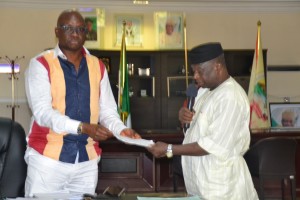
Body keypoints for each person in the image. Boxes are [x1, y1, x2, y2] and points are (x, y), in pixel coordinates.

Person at [24, 10, 140, 197]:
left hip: (86, 162)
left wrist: (121, 129)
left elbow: (108, 111)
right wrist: (83, 128)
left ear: (86, 33)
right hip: (48, 161)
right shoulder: (40, 64)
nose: (75, 33)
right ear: (56, 31)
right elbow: (43, 113)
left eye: (80, 29)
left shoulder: (98, 66)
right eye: (68, 28)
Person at [147, 42, 258, 199]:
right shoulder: (205, 92)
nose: (195, 76)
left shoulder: (230, 96)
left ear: (217, 67)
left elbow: (211, 144)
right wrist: (183, 118)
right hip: (202, 184)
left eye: (200, 71)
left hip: (222, 188)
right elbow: (194, 132)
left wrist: (169, 149)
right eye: (194, 71)